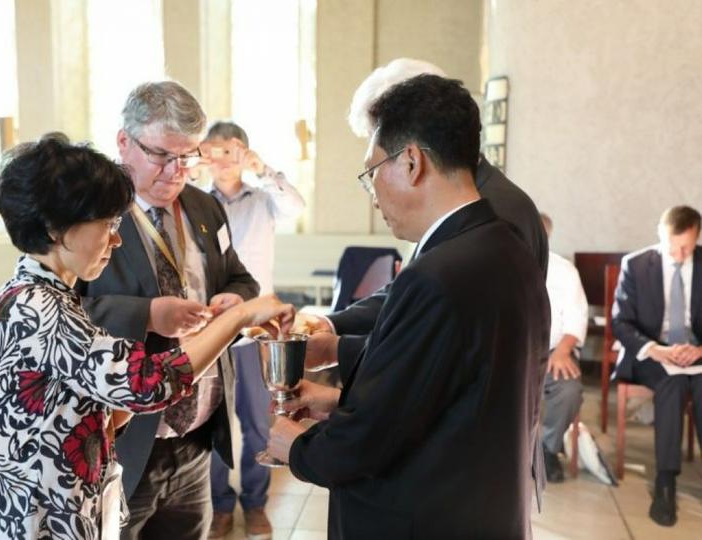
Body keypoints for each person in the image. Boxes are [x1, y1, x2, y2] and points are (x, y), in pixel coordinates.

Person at [268, 74, 550, 538]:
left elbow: (368, 442)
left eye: (371, 172)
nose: (374, 192)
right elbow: (455, 386)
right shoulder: (503, 245)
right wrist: (341, 396)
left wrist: (295, 447)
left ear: (412, 161)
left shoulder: (437, 274)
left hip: (429, 515)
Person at [0, 138, 294, 540]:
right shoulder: (37, 307)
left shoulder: (46, 294)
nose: (117, 239)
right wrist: (240, 316)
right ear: (56, 229)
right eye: (107, 225)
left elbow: (86, 406)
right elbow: (149, 383)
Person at [76, 81, 260, 540]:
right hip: (126, 441)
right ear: (124, 143)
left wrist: (233, 299)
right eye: (162, 155)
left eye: (189, 156)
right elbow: (62, 311)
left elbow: (240, 277)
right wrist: (149, 315)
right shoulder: (88, 212)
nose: (178, 171)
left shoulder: (204, 207)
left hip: (196, 438)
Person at [200, 121, 305, 538]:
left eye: (229, 151)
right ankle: (221, 505)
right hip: (211, 328)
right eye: (212, 151)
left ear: (242, 151)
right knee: (212, 422)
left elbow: (296, 207)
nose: (219, 160)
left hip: (257, 331)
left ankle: (256, 503)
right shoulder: (194, 202)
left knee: (258, 423)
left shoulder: (263, 199)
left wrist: (265, 170)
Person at [612, 205, 702, 527]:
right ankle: (666, 481)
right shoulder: (635, 265)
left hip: (698, 354)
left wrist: (699, 349)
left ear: (697, 238)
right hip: (652, 354)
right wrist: (657, 350)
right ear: (660, 235)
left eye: (686, 248)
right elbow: (621, 322)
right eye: (672, 246)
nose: (678, 254)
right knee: (672, 384)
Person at [539, 213, 588, 482]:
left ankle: (548, 449)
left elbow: (576, 317)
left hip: (553, 350)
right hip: (511, 352)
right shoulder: (501, 266)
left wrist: (563, 350)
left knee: (569, 389)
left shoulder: (565, 270)